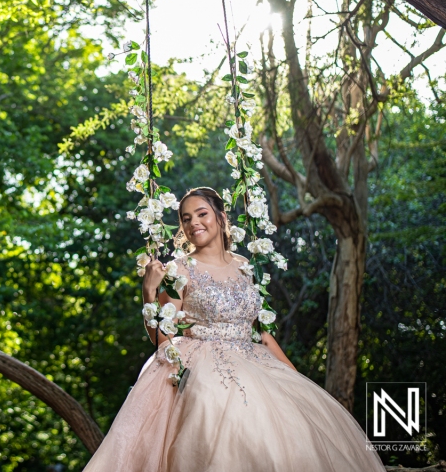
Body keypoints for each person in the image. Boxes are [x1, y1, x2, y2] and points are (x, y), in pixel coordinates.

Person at [83, 187, 385, 471]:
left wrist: (293, 378)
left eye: (201, 214)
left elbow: (263, 334)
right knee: (217, 420)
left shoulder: (246, 266)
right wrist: (149, 293)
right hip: (203, 364)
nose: (193, 223)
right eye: (186, 219)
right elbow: (162, 338)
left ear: (221, 217)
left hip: (255, 362)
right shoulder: (180, 270)